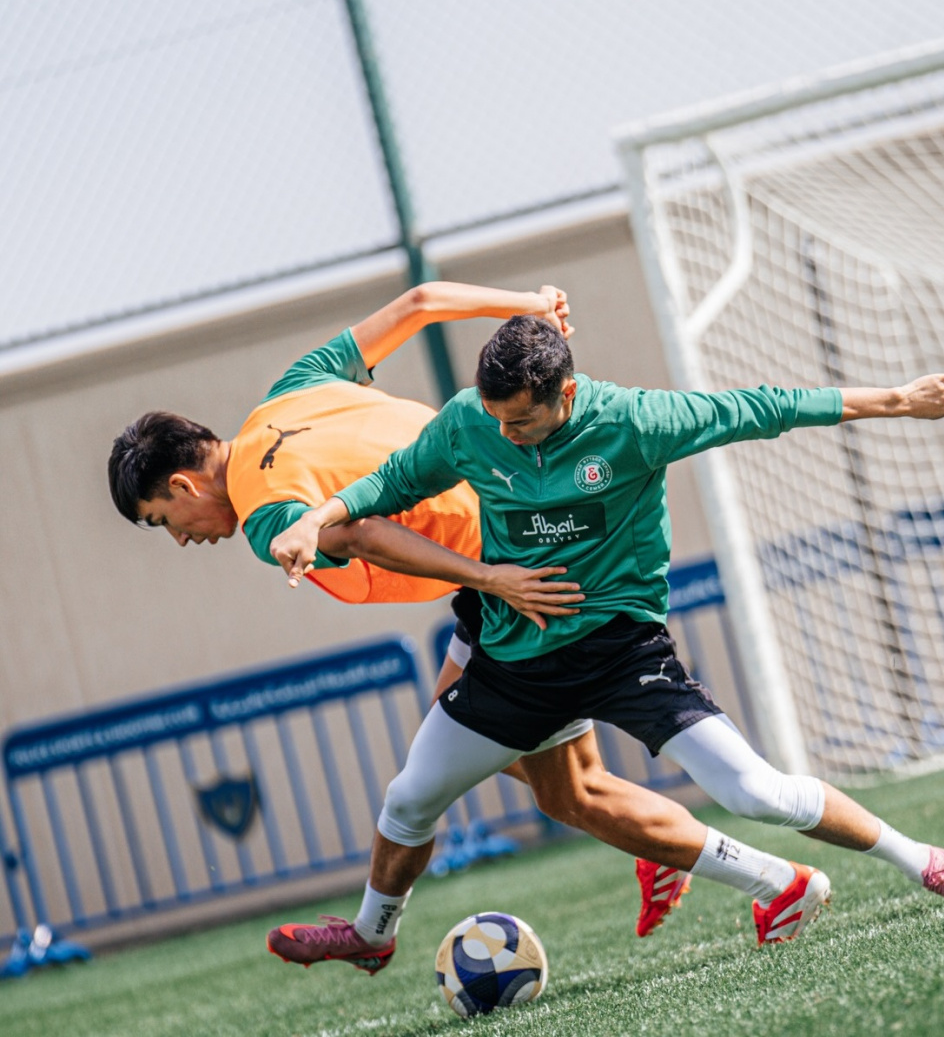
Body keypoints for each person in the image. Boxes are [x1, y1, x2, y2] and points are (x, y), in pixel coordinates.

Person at [107, 281, 839, 972]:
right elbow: (422, 302)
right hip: (515, 541)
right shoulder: (291, 390)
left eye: (164, 520)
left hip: (515, 571)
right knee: (520, 766)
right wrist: (528, 304)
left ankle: (771, 879)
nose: (182, 537)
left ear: (183, 484)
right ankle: (661, 850)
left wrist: (490, 580)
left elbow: (360, 533)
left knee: (565, 792)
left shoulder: (267, 515)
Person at [267, 313, 944, 966]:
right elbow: (391, 483)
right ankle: (372, 935)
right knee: (409, 799)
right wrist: (314, 519)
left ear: (565, 394)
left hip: (622, 655)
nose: (504, 434)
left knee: (755, 792)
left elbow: (763, 407)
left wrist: (899, 400)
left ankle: (921, 860)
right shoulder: (469, 421)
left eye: (519, 421)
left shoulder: (634, 421)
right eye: (495, 418)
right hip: (513, 665)